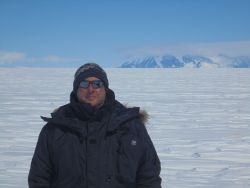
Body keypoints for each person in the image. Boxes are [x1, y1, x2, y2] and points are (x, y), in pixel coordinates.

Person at [28, 63, 162, 188]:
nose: (91, 89)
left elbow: (149, 177)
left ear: (105, 88)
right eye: (84, 83)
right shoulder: (56, 128)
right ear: (76, 89)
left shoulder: (131, 126)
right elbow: (39, 178)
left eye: (97, 84)